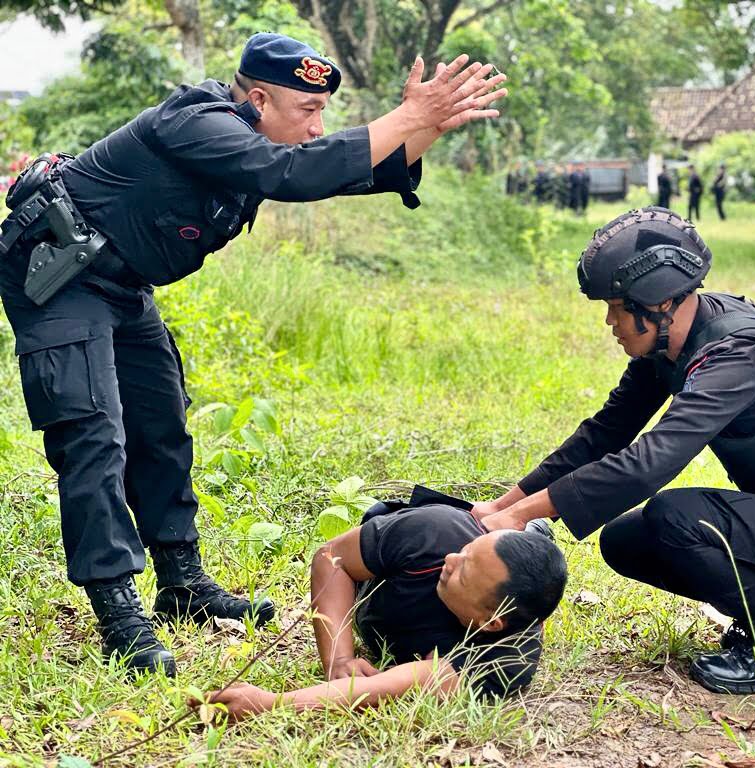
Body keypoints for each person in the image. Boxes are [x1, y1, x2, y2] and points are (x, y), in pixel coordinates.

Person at [0, 33, 507, 677]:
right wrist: (408, 116)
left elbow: (349, 170)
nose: (318, 126)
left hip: (122, 283)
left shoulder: (257, 136)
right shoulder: (197, 123)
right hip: (60, 275)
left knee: (160, 426)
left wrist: (427, 123)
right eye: (308, 110)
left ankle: (182, 584)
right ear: (259, 97)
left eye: (324, 111)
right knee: (94, 439)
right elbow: (292, 175)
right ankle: (119, 612)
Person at [474, 207, 755, 694]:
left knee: (677, 515)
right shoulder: (677, 341)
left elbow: (649, 464)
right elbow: (606, 433)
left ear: (661, 302)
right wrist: (505, 505)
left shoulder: (735, 356)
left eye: (618, 306)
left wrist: (524, 513)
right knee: (625, 541)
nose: (611, 322)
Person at [196, 487, 567, 721]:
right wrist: (338, 658)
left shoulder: (507, 656)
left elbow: (393, 686)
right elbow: (331, 558)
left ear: (491, 621)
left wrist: (272, 703)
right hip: (392, 549)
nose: (451, 562)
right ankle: (531, 529)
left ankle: (538, 532)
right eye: (466, 553)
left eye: (464, 574)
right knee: (438, 529)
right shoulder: (436, 534)